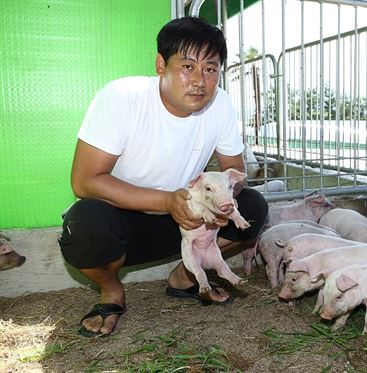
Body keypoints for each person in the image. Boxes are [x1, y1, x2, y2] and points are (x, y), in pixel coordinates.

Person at [58, 16, 268, 338]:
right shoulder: (122, 97)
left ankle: (185, 276)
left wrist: (210, 203)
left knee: (252, 206)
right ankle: (111, 292)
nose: (200, 80)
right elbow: (84, 181)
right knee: (84, 226)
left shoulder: (220, 105)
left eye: (210, 69)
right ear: (161, 64)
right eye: (188, 66)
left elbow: (235, 178)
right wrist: (166, 201)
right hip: (124, 221)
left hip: (188, 221)